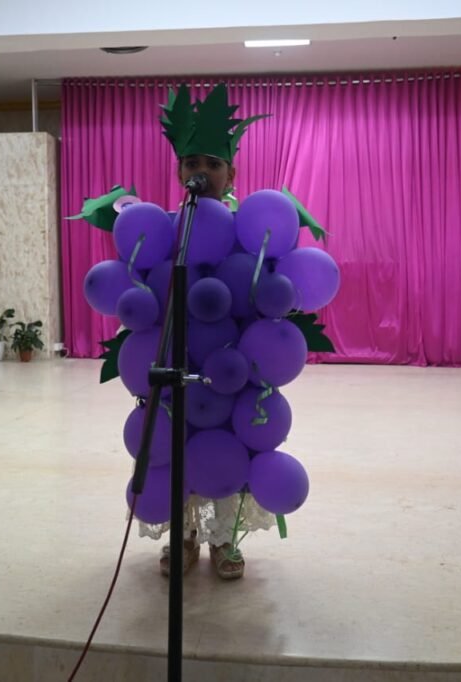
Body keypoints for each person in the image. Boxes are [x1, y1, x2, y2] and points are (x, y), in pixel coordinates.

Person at [136, 84, 273, 581]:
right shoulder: (167, 229)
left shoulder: (248, 229)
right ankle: (185, 534)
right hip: (179, 358)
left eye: (213, 164)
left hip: (232, 366)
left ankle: (224, 538)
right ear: (179, 172)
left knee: (227, 451)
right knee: (178, 446)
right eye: (191, 162)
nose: (202, 171)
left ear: (231, 173)